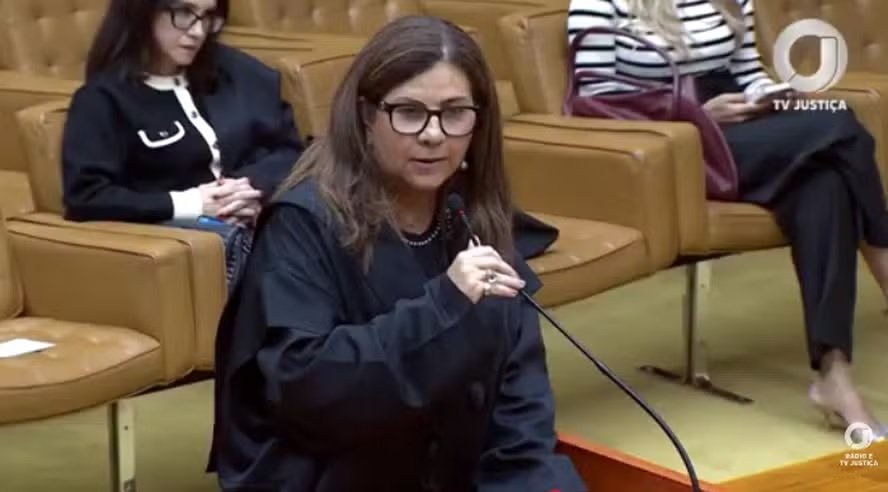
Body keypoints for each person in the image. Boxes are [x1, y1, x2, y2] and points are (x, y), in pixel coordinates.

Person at [209, 15, 586, 492]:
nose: (433, 134)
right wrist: (445, 305)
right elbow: (308, 391)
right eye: (409, 112)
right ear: (367, 118)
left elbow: (519, 426)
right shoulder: (303, 223)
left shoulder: (472, 222)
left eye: (455, 113)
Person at [568, 0, 888, 436]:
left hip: (741, 131)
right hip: (674, 145)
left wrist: (767, 96)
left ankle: (835, 377)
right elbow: (594, 101)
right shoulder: (599, 2)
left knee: (825, 184)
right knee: (840, 124)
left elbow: (748, 72)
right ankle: (883, 262)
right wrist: (696, 114)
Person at [61, 0, 303, 227]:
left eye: (208, 15)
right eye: (184, 13)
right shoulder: (102, 99)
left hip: (265, 217)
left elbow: (290, 149)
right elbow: (87, 197)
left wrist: (248, 189)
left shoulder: (237, 71)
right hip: (190, 238)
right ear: (144, 10)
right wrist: (192, 203)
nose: (198, 31)